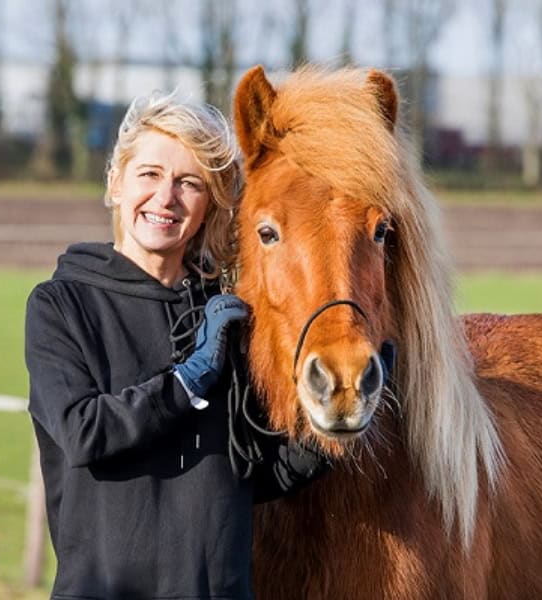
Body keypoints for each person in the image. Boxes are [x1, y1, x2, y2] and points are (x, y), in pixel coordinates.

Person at [25, 91, 326, 600]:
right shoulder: (61, 306)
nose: (166, 198)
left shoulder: (227, 318)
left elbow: (252, 474)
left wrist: (330, 428)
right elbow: (83, 432)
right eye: (149, 174)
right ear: (115, 184)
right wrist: (189, 378)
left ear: (210, 204)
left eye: (189, 183)